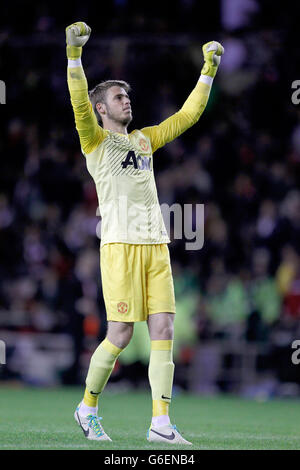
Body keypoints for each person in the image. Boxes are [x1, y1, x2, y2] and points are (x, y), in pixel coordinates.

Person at [66, 21, 224, 445]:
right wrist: (74, 56)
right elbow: (79, 104)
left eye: (128, 96)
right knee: (119, 334)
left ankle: (160, 424)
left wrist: (208, 69)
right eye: (119, 97)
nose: (126, 101)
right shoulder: (95, 142)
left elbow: (188, 116)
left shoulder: (144, 141)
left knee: (165, 330)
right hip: (119, 246)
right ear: (103, 108)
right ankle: (87, 406)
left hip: (157, 248)